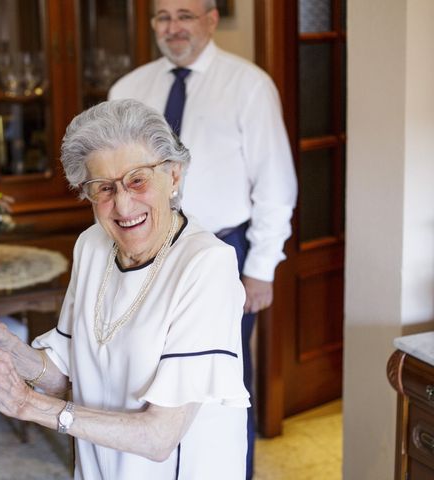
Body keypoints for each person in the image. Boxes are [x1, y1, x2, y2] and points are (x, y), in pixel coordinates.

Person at [0, 99, 250, 479]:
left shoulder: (205, 265)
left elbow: (159, 437)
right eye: (103, 188)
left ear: (174, 177)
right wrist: (9, 348)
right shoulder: (92, 246)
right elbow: (67, 376)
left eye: (138, 179)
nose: (123, 204)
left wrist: (26, 405)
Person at [109, 1, 298, 477]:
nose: (173, 28)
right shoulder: (128, 90)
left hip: (223, 254)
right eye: (163, 17)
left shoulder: (249, 85)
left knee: (220, 387)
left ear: (211, 20)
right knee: (145, 376)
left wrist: (260, 268)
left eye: (185, 16)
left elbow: (275, 184)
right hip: (143, 251)